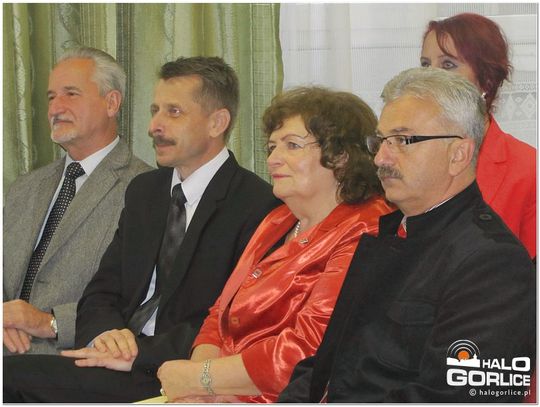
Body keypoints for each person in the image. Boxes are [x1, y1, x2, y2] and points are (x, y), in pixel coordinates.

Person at [2, 56, 279, 402]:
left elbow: (233, 321)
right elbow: (102, 290)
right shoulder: (146, 191)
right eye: (154, 111)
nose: (154, 126)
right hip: (110, 359)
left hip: (174, 372)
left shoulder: (258, 205)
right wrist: (106, 334)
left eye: (173, 112)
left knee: (8, 379)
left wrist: (134, 352)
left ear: (217, 122)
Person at [278, 68, 535, 403]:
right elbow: (326, 365)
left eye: (402, 140)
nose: (380, 158)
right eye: (380, 141)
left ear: (458, 155)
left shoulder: (494, 263)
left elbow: (459, 399)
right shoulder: (388, 232)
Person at [152, 86, 393, 403]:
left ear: (341, 156)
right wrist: (202, 388)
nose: (274, 159)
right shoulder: (277, 220)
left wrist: (201, 379)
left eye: (292, 145)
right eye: (272, 147)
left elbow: (308, 351)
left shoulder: (368, 228)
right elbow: (219, 316)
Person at [3, 47, 151, 356]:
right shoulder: (24, 188)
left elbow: (142, 298)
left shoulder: (145, 189)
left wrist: (51, 323)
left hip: (75, 361)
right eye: (51, 97)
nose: (55, 108)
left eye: (71, 94)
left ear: (111, 103)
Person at [420, 12, 536, 259]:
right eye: (425, 65)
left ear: (487, 79)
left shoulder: (528, 168)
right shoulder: (406, 153)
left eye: (447, 65)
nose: (429, 77)